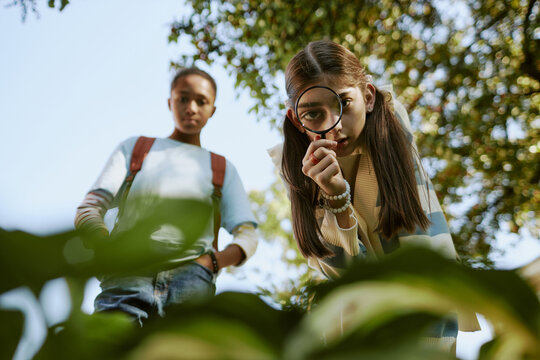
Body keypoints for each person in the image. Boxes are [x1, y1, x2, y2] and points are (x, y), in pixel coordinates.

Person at [268, 40, 479, 352]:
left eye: (343, 104)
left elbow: (419, 250)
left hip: (422, 307)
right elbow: (341, 272)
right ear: (296, 120)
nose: (332, 127)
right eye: (313, 114)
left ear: (368, 97)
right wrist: (336, 200)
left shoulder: (392, 129)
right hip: (352, 329)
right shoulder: (295, 168)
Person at [75, 67, 258, 324]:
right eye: (183, 98)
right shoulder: (137, 148)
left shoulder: (222, 168)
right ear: (169, 102)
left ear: (213, 110)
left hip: (192, 282)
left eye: (201, 101)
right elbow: (90, 208)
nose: (191, 107)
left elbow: (248, 234)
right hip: (128, 272)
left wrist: (211, 263)